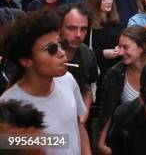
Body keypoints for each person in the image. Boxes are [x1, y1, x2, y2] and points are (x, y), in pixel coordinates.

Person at [0, 10, 91, 155]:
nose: (62, 52)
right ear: (26, 60)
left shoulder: (68, 80)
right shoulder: (9, 106)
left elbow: (77, 126)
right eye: (51, 49)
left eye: (60, 44)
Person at [96, 26, 146, 155]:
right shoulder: (115, 74)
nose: (120, 52)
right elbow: (107, 110)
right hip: (127, 140)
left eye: (125, 47)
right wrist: (101, 142)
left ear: (141, 48)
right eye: (119, 47)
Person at [58, 4, 99, 125]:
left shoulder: (87, 55)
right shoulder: (45, 53)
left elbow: (87, 89)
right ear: (59, 28)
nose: (78, 35)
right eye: (71, 28)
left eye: (83, 29)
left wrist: (82, 117)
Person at [87, 0, 122, 81]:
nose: (109, 2)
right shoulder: (87, 25)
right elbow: (82, 52)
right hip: (98, 77)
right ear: (95, 1)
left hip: (115, 74)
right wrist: (101, 54)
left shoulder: (114, 23)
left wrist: (119, 48)